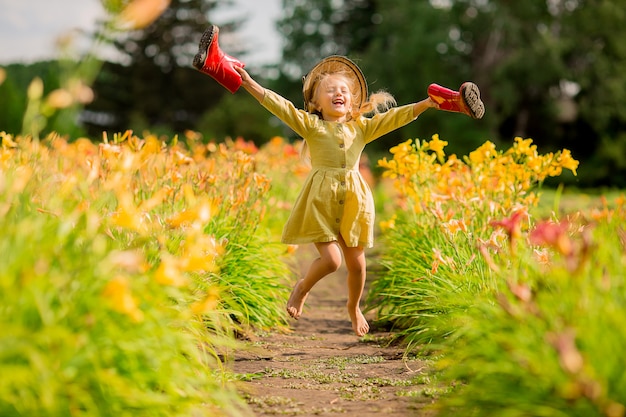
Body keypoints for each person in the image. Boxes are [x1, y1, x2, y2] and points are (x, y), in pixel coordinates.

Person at [193, 25, 485, 337]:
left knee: (358, 266)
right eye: (330, 90)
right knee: (332, 262)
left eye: (343, 90)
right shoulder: (310, 125)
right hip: (319, 202)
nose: (338, 93)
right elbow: (276, 104)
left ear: (353, 102)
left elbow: (394, 117)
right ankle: (303, 288)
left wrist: (426, 104)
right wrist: (249, 81)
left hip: (354, 203)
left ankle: (353, 307)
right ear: (316, 103)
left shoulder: (361, 128)